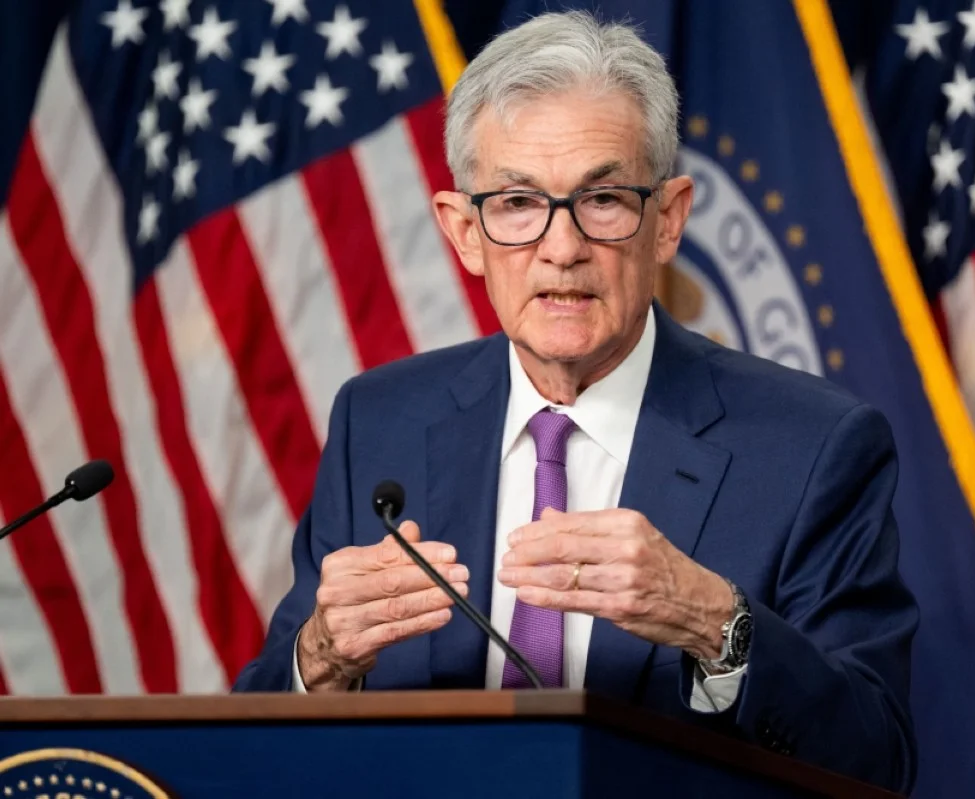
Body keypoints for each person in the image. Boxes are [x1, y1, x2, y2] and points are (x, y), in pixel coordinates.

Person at [233, 10, 919, 793]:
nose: (562, 248)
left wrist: (715, 622)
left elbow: (878, 762)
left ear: (668, 220)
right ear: (464, 232)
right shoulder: (379, 422)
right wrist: (320, 658)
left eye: (604, 199)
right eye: (517, 203)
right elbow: (249, 745)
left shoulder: (813, 447)